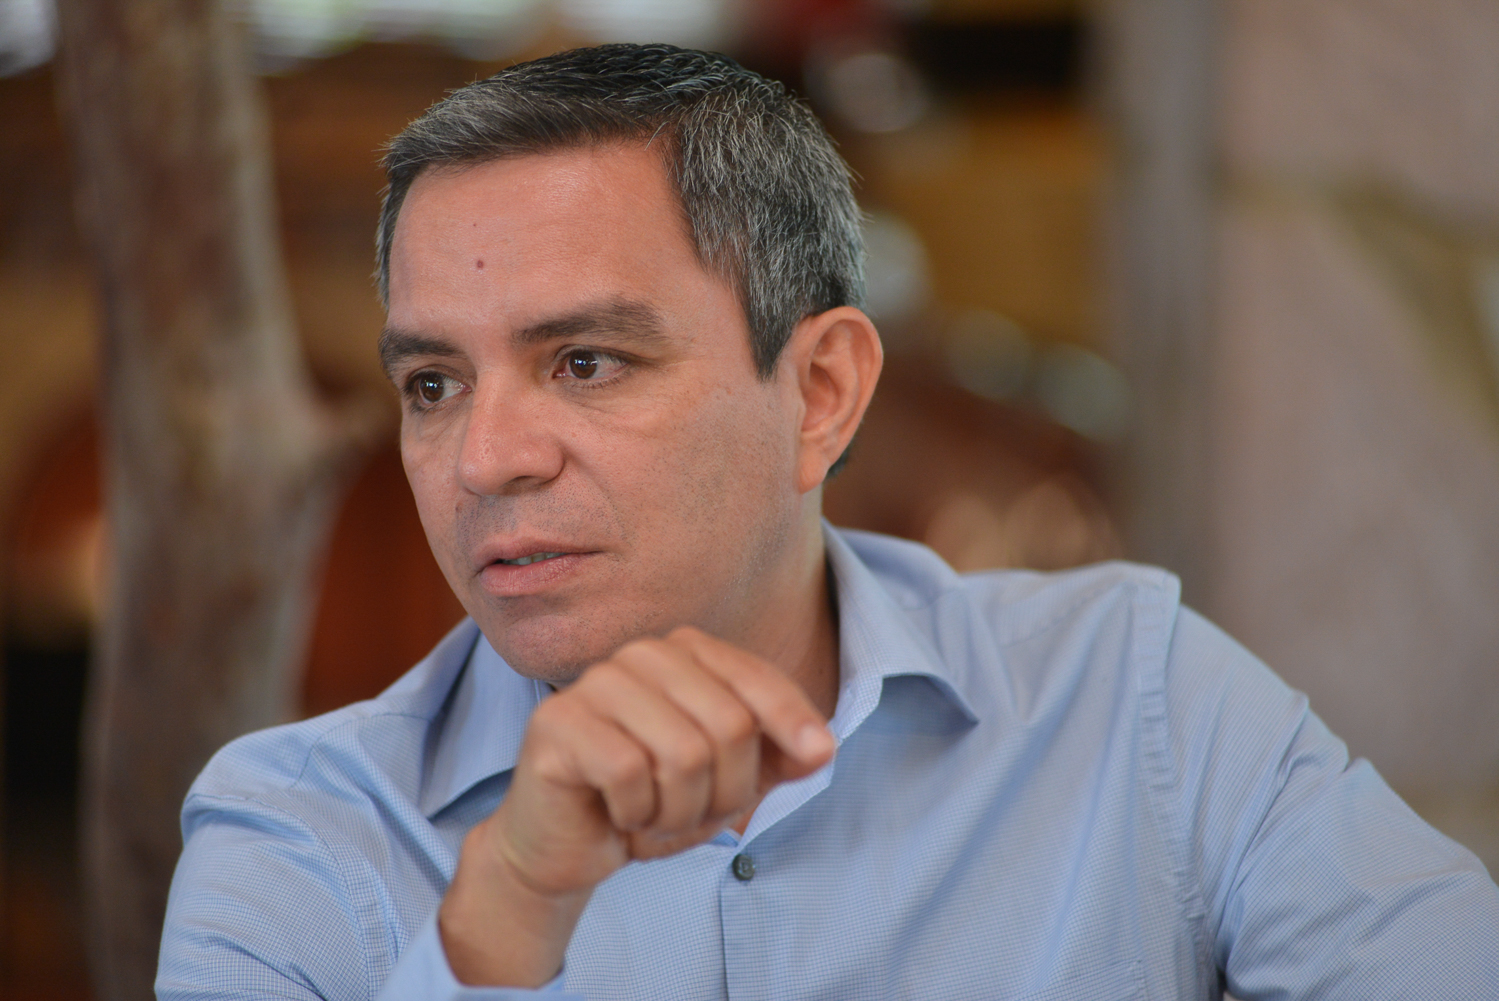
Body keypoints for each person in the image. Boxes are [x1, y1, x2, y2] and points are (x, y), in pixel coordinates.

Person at [156, 43, 1499, 1000]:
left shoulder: (1131, 697)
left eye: (585, 361)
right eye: (433, 384)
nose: (484, 459)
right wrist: (502, 923)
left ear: (821, 393)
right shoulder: (297, 832)